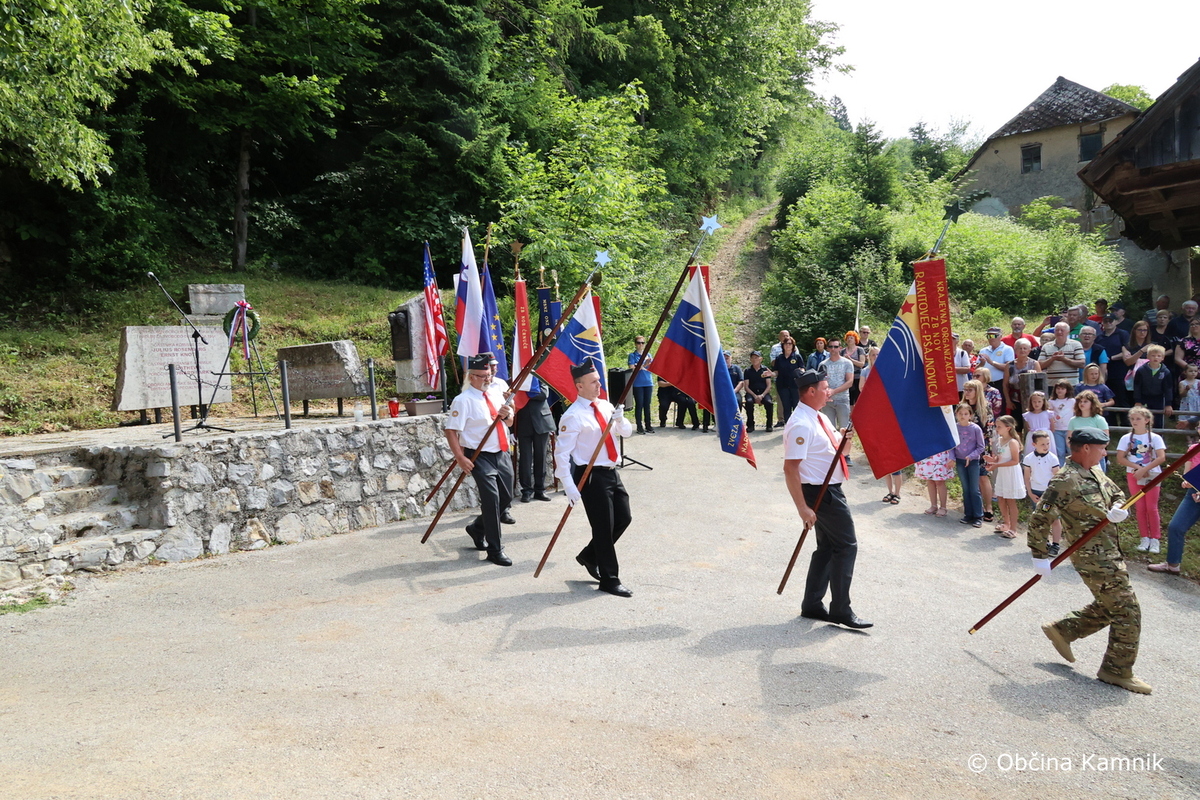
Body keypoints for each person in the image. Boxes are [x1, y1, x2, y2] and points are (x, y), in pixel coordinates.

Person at [1028, 427, 1149, 694]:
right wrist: (1039, 556)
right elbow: (1039, 519)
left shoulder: (1095, 471)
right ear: (1085, 448)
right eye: (1101, 448)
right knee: (1127, 611)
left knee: (1110, 605)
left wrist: (1119, 508)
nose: (1105, 453)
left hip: (1110, 552)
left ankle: (1064, 630)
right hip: (1092, 559)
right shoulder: (1065, 480)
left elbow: (1117, 493)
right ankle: (1116, 670)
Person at [784, 370, 871, 629]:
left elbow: (839, 452)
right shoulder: (802, 423)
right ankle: (841, 609)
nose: (829, 391)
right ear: (811, 391)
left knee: (827, 548)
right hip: (821, 493)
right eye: (825, 388)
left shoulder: (819, 417)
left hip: (829, 489)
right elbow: (790, 468)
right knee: (846, 546)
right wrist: (802, 508)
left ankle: (812, 604)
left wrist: (846, 440)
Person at [553, 359, 635, 597]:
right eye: (593, 382)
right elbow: (561, 454)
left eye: (598, 380)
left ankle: (589, 555)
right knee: (603, 527)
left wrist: (620, 419)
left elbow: (626, 433)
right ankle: (610, 579)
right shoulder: (573, 416)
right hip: (590, 475)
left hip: (611, 471)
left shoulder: (606, 406)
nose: (599, 385)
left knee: (624, 518)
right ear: (579, 386)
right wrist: (568, 485)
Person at [444, 353, 517, 566]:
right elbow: (451, 430)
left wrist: (508, 415)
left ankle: (477, 528)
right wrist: (460, 457)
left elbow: (509, 423)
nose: (488, 379)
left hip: (501, 452)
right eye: (483, 376)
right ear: (472, 377)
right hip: (479, 455)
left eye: (489, 375)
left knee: (506, 498)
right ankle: (495, 550)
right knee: (491, 501)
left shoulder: (496, 394)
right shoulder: (463, 400)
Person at [1116, 406, 1166, 555]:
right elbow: (1120, 458)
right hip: (1134, 475)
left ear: (1147, 420)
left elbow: (1161, 457)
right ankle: (1144, 538)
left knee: (1151, 507)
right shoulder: (1126, 438)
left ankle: (1155, 539)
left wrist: (1145, 469)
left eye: (1138, 418)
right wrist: (1137, 468)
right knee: (1140, 506)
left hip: (1152, 474)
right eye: (1132, 419)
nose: (1135, 421)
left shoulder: (1155, 438)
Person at [1149, 448, 1200, 575]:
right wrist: (1188, 482)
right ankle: (1172, 565)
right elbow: (1188, 474)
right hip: (1194, 494)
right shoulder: (1194, 448)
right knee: (1176, 527)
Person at [985, 414, 1025, 539]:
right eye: (996, 426)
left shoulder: (1013, 442)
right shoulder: (1000, 440)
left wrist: (997, 465)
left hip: (1011, 473)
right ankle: (1006, 523)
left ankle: (1014, 528)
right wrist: (992, 460)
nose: (997, 429)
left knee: (1010, 500)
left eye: (999, 426)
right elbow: (1000, 457)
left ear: (1008, 428)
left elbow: (1015, 461)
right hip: (1002, 472)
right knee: (1001, 498)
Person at [514, 384, 555, 503]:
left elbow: (543, 394)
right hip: (523, 422)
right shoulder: (518, 379)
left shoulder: (538, 378)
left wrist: (525, 391)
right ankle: (526, 490)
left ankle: (540, 489)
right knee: (525, 459)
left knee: (541, 457)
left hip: (542, 421)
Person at [1022, 430, 1061, 554]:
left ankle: (1056, 544)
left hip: (1049, 493)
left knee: (1054, 518)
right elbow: (1027, 477)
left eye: (1048, 444)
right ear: (1034, 444)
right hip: (1036, 492)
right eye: (1042, 444)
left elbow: (1057, 478)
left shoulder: (1052, 458)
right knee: (1040, 518)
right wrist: (1030, 493)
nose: (1046, 446)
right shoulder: (1029, 458)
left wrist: (1052, 494)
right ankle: (1044, 542)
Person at [963, 380, 996, 521]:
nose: (967, 393)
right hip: (964, 447)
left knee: (982, 476)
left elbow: (989, 430)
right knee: (970, 478)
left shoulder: (985, 407)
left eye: (970, 390)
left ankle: (988, 507)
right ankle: (975, 507)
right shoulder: (962, 406)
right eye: (965, 390)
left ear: (977, 391)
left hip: (981, 446)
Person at [954, 403, 986, 527]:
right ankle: (968, 515)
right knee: (966, 489)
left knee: (974, 489)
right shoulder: (955, 427)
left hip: (972, 462)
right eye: (960, 413)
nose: (963, 416)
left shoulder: (975, 428)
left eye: (966, 414)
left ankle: (978, 516)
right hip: (960, 461)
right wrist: (952, 458)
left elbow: (981, 447)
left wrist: (970, 456)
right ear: (956, 414)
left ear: (970, 415)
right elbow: (952, 445)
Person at [1131, 344, 1174, 428]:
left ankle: (1158, 435)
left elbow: (1168, 389)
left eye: (1159, 356)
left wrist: (1168, 404)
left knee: (1158, 420)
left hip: (1159, 399)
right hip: (1144, 397)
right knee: (1143, 418)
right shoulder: (1141, 370)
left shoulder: (1166, 372)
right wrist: (1138, 401)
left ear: (1163, 358)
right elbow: (1137, 386)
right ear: (1148, 356)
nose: (1156, 358)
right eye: (1153, 355)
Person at [702, 351, 743, 432]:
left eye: (727, 358)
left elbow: (741, 382)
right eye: (724, 358)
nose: (725, 359)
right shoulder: (717, 368)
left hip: (734, 392)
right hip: (720, 392)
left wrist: (734, 391)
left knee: (738, 400)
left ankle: (736, 423)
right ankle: (714, 423)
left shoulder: (736, 368)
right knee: (711, 400)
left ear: (731, 358)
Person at [1095, 314, 1130, 409]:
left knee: (1121, 398)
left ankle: (1124, 418)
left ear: (1116, 322)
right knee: (1106, 398)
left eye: (1111, 321)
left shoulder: (1123, 334)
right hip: (1104, 371)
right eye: (1106, 321)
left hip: (1119, 371)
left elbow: (1128, 351)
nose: (1108, 323)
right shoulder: (1099, 337)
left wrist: (1111, 358)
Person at [819, 339, 854, 431]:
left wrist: (834, 391)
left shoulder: (847, 363)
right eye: (831, 346)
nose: (833, 349)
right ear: (827, 348)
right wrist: (825, 394)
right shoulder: (822, 364)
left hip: (842, 400)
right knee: (829, 430)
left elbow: (850, 382)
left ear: (840, 348)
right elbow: (820, 382)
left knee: (844, 429)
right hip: (827, 401)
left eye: (835, 346)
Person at [1002, 338, 1041, 417]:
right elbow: (1005, 385)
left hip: (1032, 401)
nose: (1022, 350)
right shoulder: (1009, 365)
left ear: (1029, 350)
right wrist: (1008, 401)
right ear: (1015, 350)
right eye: (1020, 348)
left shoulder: (1034, 364)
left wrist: (1034, 374)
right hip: (1014, 400)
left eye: (1025, 348)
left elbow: (1040, 382)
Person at [627, 335, 655, 434]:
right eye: (638, 343)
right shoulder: (632, 355)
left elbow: (652, 367)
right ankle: (639, 426)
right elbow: (632, 368)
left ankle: (648, 425)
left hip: (648, 382)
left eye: (642, 343)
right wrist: (644, 365)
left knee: (647, 405)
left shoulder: (648, 355)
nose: (640, 345)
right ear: (635, 344)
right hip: (638, 383)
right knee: (639, 404)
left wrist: (643, 366)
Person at [773, 338, 805, 422]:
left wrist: (801, 371)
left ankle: (798, 425)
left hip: (795, 385)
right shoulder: (779, 358)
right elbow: (776, 371)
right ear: (783, 345)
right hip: (782, 385)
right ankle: (788, 426)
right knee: (786, 407)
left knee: (796, 406)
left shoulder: (797, 356)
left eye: (790, 344)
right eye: (786, 343)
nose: (788, 345)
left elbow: (802, 368)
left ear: (793, 345)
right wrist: (771, 374)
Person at [742, 350, 774, 432]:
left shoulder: (765, 370)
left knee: (769, 403)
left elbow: (769, 385)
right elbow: (746, 386)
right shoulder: (747, 371)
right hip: (751, 392)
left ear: (761, 359)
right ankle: (750, 425)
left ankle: (769, 425)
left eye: (756, 357)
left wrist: (762, 395)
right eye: (752, 358)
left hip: (764, 392)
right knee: (749, 402)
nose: (754, 359)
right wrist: (754, 396)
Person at [916, 448, 953, 517]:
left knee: (939, 481)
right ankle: (933, 505)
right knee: (929, 480)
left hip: (940, 452)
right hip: (926, 452)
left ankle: (943, 507)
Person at [977, 328, 1014, 394]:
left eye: (994, 336)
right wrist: (981, 364)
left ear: (1000, 336)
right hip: (985, 384)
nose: (991, 338)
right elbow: (976, 369)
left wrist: (992, 362)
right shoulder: (983, 350)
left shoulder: (1007, 349)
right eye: (989, 336)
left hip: (1000, 383)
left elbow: (1009, 367)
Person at [1048, 380, 1075, 465]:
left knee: (1071, 450)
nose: (1060, 390)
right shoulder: (1052, 401)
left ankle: (1073, 467)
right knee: (1060, 452)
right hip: (1057, 430)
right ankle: (1060, 468)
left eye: (1062, 389)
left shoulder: (1072, 401)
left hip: (1069, 429)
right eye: (1058, 388)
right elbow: (1050, 415)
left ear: (1067, 390)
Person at [843, 331, 867, 406]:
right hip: (846, 378)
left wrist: (850, 359)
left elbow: (862, 364)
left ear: (855, 339)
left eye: (851, 338)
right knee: (848, 400)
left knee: (857, 399)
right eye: (848, 338)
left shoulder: (860, 350)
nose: (849, 339)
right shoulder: (842, 351)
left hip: (857, 377)